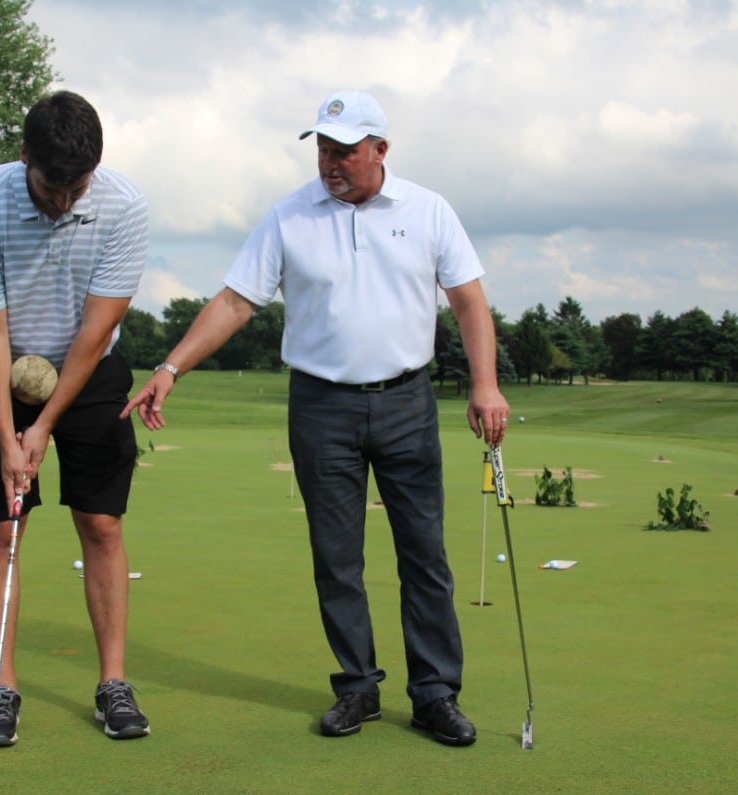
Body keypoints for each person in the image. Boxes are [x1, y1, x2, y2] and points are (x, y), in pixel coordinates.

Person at [122, 90, 510, 746]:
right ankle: (357, 686)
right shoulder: (288, 216)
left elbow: (469, 303)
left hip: (406, 401)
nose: (330, 163)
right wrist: (170, 367)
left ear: (380, 150)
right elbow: (237, 301)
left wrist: (486, 384)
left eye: (345, 151)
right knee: (336, 556)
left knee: (424, 552)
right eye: (323, 149)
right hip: (321, 405)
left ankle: (434, 692)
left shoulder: (428, 210)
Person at [0, 90, 151, 747]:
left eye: (77, 186)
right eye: (51, 184)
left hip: (89, 370)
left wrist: (41, 430)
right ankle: (2, 690)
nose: (65, 200)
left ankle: (113, 684)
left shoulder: (122, 206)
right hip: (2, 366)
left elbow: (97, 332)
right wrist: (11, 435)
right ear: (23, 156)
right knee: (2, 531)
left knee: (101, 522)